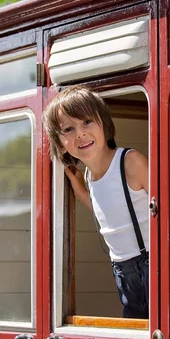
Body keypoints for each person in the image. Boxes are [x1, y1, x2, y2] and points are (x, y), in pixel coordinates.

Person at [43, 85, 150, 319]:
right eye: (68, 129)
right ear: (60, 143)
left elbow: (169, 208)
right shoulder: (91, 177)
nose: (80, 134)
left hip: (154, 266)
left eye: (87, 122)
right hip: (123, 272)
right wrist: (80, 189)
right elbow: (110, 212)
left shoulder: (130, 163)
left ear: (105, 124)